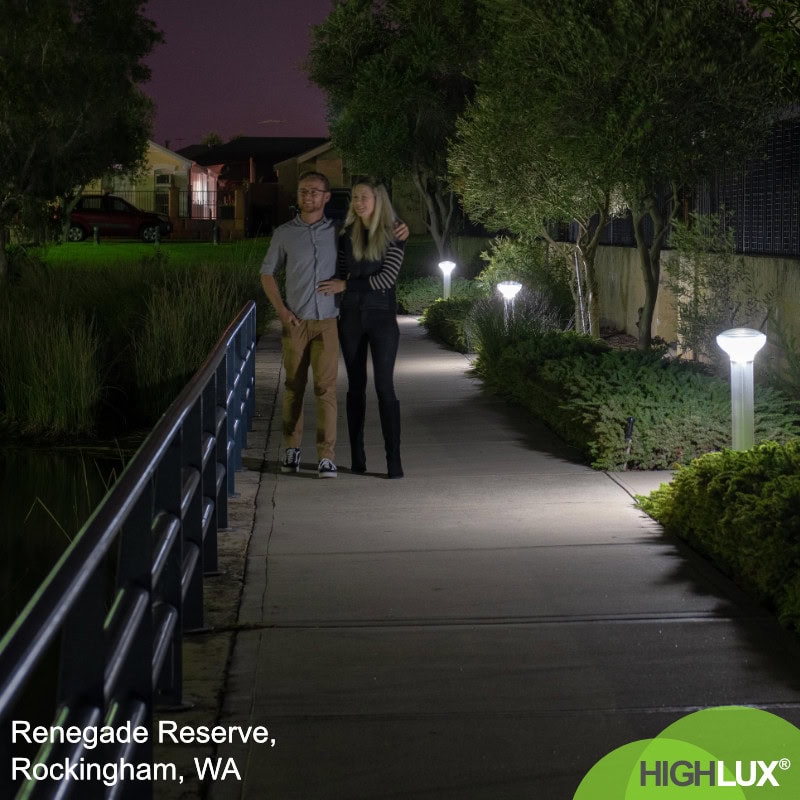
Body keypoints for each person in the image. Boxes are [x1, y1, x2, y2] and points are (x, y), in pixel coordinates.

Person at [317, 179, 407, 479]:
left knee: (384, 388)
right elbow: (340, 272)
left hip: (382, 318)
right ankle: (357, 457)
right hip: (352, 318)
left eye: (364, 197)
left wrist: (348, 286)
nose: (358, 202)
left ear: (377, 200)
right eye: (355, 197)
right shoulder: (347, 233)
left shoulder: (394, 233)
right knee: (355, 388)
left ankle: (393, 460)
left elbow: (387, 278)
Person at [260, 171, 340, 478]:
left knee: (326, 389)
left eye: (315, 192)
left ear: (326, 196)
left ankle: (326, 456)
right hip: (296, 321)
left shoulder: (337, 231)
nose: (309, 196)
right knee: (294, 387)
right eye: (304, 191)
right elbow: (267, 273)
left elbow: (372, 234)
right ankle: (292, 449)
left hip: (328, 321)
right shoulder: (284, 233)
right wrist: (281, 311)